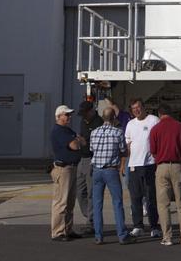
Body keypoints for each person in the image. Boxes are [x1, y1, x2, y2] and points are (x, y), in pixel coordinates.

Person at [149, 102, 181, 245]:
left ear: (159, 114)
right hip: (177, 166)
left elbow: (153, 150)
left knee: (163, 204)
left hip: (162, 167)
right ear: (171, 113)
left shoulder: (155, 129)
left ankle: (167, 237)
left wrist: (160, 159)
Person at [89, 105, 131, 244]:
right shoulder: (118, 132)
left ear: (102, 117)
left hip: (96, 170)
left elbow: (91, 149)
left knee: (97, 204)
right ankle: (122, 235)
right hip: (111, 170)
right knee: (117, 202)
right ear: (114, 118)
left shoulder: (94, 132)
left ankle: (98, 235)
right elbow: (123, 150)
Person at [123, 98, 161, 238]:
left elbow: (159, 140)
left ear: (144, 107)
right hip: (134, 166)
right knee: (135, 198)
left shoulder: (153, 120)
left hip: (150, 165)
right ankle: (138, 225)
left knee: (151, 197)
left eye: (138, 107)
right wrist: (125, 163)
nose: (137, 110)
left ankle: (154, 226)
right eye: (134, 109)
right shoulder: (130, 124)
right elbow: (128, 145)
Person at [49, 104, 83, 241]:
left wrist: (78, 140)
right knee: (61, 202)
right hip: (63, 169)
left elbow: (81, 142)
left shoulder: (67, 130)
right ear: (59, 116)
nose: (69, 117)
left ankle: (67, 229)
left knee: (69, 201)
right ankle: (58, 232)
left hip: (72, 167)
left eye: (69, 114)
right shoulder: (59, 131)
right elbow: (75, 145)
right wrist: (78, 140)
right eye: (66, 114)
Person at [75, 98, 99, 236]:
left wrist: (84, 142)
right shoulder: (83, 121)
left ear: (91, 111)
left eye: (85, 113)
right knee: (80, 190)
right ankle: (88, 215)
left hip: (91, 158)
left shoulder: (98, 122)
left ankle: (91, 222)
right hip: (82, 158)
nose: (83, 116)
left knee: (91, 192)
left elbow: (95, 144)